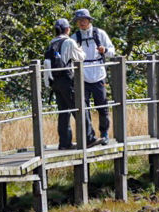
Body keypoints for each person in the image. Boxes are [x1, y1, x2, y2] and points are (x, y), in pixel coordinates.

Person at [43, 18, 92, 149]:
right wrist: (79, 48)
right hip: (67, 80)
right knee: (80, 108)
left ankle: (64, 143)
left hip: (55, 82)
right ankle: (89, 139)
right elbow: (81, 57)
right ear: (67, 29)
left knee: (63, 112)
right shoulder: (69, 42)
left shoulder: (52, 43)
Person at [71, 9, 116, 145]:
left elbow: (112, 51)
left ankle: (104, 134)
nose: (81, 22)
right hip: (82, 75)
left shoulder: (100, 33)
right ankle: (89, 136)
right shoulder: (74, 37)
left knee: (102, 106)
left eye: (84, 19)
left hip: (98, 74)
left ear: (89, 20)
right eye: (79, 20)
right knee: (83, 108)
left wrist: (105, 50)